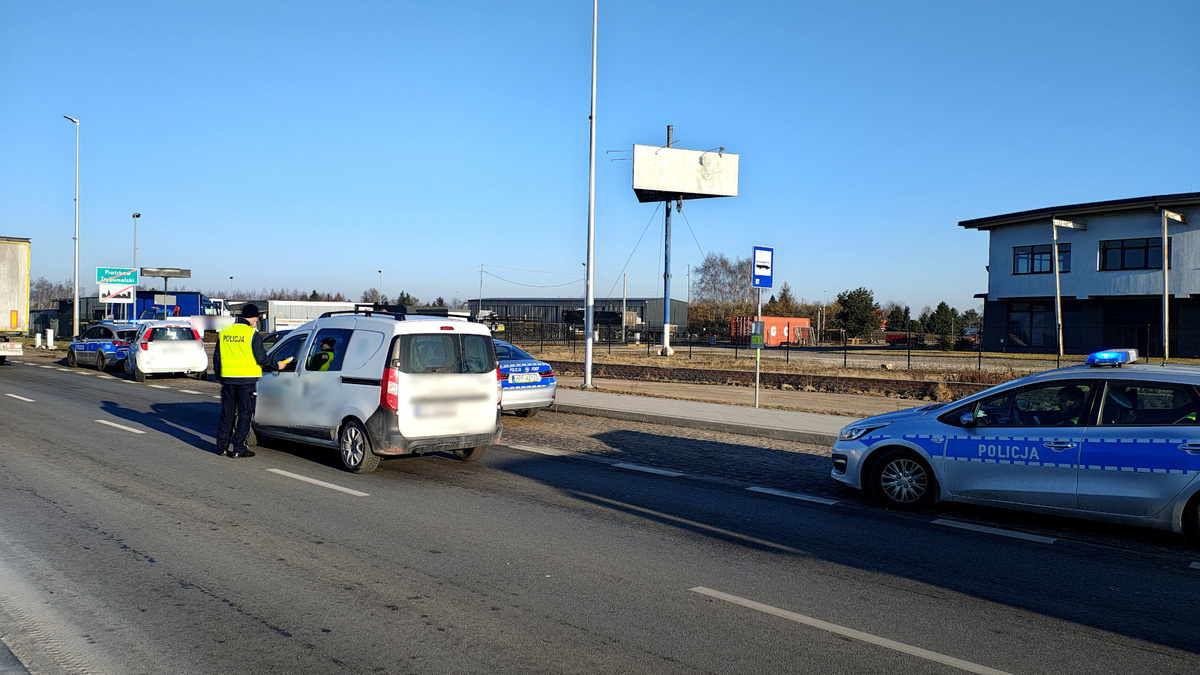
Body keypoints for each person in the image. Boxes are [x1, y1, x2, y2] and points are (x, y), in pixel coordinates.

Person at [214, 304, 286, 458]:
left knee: (227, 413)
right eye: (257, 318)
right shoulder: (252, 334)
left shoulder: (225, 332)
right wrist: (277, 365)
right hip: (246, 380)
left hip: (228, 379)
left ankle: (222, 447)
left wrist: (219, 376)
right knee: (245, 413)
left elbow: (217, 357)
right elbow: (261, 358)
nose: (257, 320)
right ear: (252, 317)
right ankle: (239, 447)